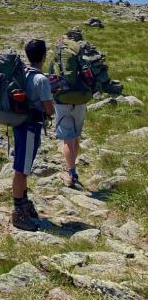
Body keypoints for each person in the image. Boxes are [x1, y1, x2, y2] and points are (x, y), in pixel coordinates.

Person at [11, 40, 55, 231]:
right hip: (31, 125)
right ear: (44, 56)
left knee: (24, 164)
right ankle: (18, 210)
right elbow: (49, 109)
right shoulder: (41, 80)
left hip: (20, 123)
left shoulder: (24, 74)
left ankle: (24, 202)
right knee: (22, 168)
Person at [54, 28, 87, 189]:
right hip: (81, 99)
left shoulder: (60, 53)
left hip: (63, 99)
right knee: (75, 136)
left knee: (67, 138)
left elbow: (52, 76)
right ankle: (72, 165)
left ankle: (71, 171)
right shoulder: (84, 51)